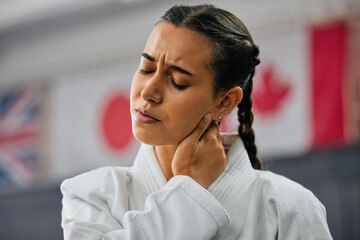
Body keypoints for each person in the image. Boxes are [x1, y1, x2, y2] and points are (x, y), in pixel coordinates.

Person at [61, 4, 333, 239]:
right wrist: (188, 191)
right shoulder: (91, 195)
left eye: (177, 81)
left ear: (225, 101)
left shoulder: (288, 206)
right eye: (146, 68)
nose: (148, 92)